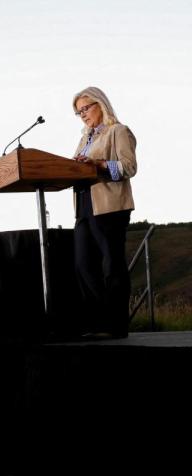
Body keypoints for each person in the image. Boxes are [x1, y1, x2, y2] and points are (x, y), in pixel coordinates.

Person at [71, 87, 137, 338]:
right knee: (83, 265)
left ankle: (116, 325)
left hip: (110, 206)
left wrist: (98, 164)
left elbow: (129, 167)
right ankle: (99, 321)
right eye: (78, 112)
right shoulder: (84, 139)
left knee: (112, 265)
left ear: (101, 104)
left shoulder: (118, 131)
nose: (82, 115)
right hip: (84, 205)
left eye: (85, 108)